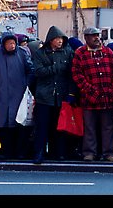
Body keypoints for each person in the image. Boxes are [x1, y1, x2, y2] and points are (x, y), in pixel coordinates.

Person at [72, 26, 113, 162]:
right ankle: (89, 152)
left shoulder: (108, 52)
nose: (97, 38)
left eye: (98, 35)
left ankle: (109, 153)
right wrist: (90, 91)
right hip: (89, 98)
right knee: (90, 127)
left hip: (107, 97)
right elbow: (77, 76)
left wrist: (112, 90)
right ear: (86, 38)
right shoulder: (80, 53)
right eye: (93, 36)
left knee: (108, 127)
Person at [31, 25, 77, 164]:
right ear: (51, 40)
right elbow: (39, 72)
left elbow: (71, 74)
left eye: (62, 39)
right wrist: (55, 68)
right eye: (57, 39)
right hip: (44, 96)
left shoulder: (68, 53)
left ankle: (58, 153)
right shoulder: (40, 53)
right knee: (42, 127)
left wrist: (71, 93)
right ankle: (39, 153)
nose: (60, 42)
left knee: (59, 127)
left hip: (61, 95)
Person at [0, 31, 35, 159]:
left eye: (13, 43)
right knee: (3, 124)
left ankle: (20, 152)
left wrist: (26, 84)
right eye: (9, 43)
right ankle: (6, 151)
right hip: (2, 93)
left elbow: (30, 70)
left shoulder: (22, 53)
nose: (12, 46)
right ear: (3, 44)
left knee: (19, 123)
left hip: (20, 93)